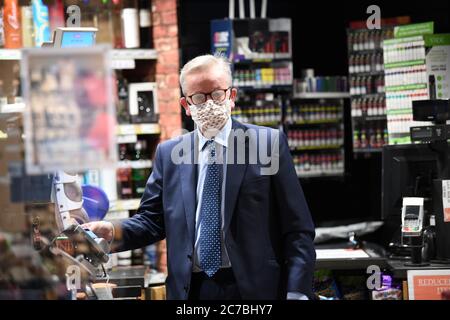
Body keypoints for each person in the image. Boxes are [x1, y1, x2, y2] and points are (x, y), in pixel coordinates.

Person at [85, 54, 316, 300]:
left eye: (217, 94)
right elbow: (152, 221)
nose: (209, 104)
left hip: (254, 288)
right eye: (198, 97)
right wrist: (111, 231)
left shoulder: (267, 144)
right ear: (186, 105)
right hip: (191, 289)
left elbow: (297, 229)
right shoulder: (170, 154)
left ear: (232, 96)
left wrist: (297, 292)